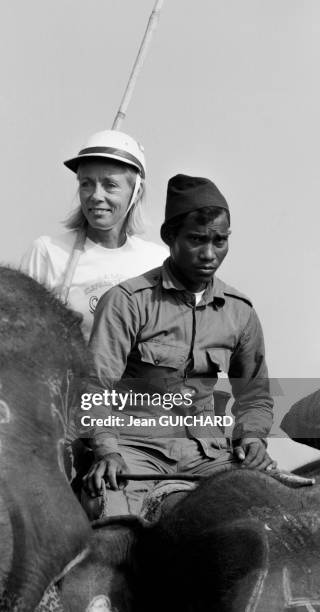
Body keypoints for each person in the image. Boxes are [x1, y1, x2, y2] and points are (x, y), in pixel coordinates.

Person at [80, 173, 275, 518]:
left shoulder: (239, 311)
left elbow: (255, 396)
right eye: (197, 240)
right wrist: (107, 451)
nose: (209, 254)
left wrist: (253, 439)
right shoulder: (128, 302)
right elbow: (96, 389)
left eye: (220, 241)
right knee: (107, 512)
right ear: (170, 237)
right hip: (134, 448)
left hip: (208, 454)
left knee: (272, 514)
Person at [21, 130, 168, 340]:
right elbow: (21, 334)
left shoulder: (157, 261)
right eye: (86, 184)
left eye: (110, 185)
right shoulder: (47, 252)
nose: (96, 196)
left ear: (136, 192)